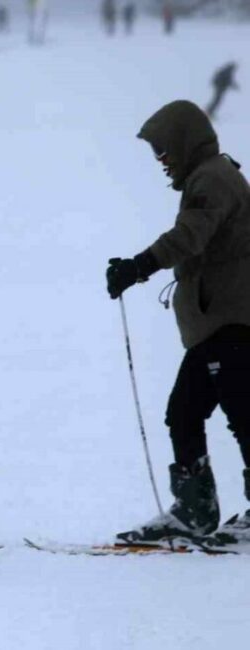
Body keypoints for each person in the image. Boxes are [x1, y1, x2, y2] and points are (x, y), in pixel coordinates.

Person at [107, 100, 250, 546]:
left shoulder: (212, 179)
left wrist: (138, 266)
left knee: (220, 413)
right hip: (222, 321)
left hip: (230, 321)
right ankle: (194, 509)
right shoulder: (213, 176)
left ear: (185, 143)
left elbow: (190, 235)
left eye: (164, 150)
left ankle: (195, 511)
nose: (162, 161)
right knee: (195, 413)